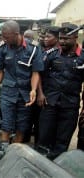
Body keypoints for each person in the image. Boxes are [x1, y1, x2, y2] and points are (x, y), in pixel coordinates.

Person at [0, 20, 44, 143]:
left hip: (25, 95)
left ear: (17, 34)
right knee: (6, 126)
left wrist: (34, 90)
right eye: (3, 36)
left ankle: (15, 154)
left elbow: (36, 72)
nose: (4, 39)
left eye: (6, 37)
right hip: (8, 93)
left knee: (21, 128)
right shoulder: (3, 48)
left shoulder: (34, 48)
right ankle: (3, 154)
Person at [38, 23, 84, 159]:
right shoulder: (51, 54)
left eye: (66, 38)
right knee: (44, 139)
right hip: (50, 103)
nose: (62, 41)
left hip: (70, 106)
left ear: (75, 37)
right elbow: (38, 74)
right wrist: (40, 93)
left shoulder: (82, 57)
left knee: (62, 141)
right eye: (61, 38)